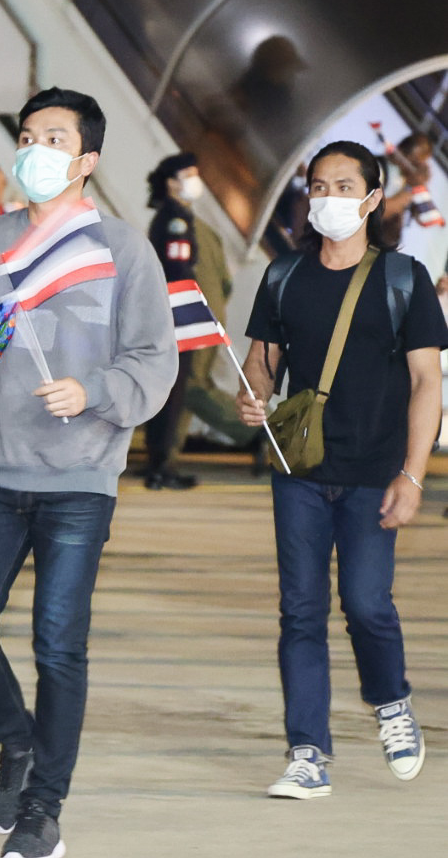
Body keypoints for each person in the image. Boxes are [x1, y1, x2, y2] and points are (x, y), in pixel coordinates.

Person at [0, 88, 177, 858]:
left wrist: (95, 391)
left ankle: (43, 809)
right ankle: (18, 741)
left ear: (87, 160)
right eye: (27, 135)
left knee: (57, 645)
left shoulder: (122, 250)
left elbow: (154, 358)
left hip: (80, 478)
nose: (35, 150)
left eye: (54, 138)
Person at [235, 140, 445, 799]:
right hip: (299, 469)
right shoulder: (284, 276)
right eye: (319, 187)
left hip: (374, 471)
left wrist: (413, 475)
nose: (328, 199)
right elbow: (262, 361)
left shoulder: (404, 279)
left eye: (344, 187)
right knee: (300, 611)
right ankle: (307, 752)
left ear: (374, 198)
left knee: (366, 603)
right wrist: (252, 395)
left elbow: (427, 383)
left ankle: (391, 702)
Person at [142, 152, 233, 490]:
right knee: (173, 393)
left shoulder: (173, 216)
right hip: (177, 318)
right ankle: (160, 467)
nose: (195, 181)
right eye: (188, 174)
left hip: (172, 317)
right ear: (171, 182)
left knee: (173, 392)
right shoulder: (175, 220)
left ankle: (160, 464)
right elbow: (178, 272)